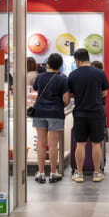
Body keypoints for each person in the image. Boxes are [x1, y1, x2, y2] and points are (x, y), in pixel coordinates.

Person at [67, 48, 109, 183]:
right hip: (97, 113)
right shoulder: (99, 73)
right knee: (96, 143)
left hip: (80, 113)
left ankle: (79, 173)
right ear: (88, 58)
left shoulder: (73, 75)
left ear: (77, 60)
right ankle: (97, 173)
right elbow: (104, 93)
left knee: (80, 143)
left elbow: (71, 94)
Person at [32, 53, 70, 184]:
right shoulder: (63, 79)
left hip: (40, 112)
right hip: (55, 113)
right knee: (53, 145)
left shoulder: (40, 77)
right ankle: (53, 173)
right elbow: (66, 99)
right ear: (60, 65)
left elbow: (35, 89)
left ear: (48, 64)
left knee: (41, 144)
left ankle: (41, 173)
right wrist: (59, 105)